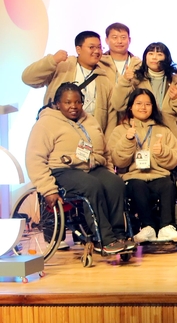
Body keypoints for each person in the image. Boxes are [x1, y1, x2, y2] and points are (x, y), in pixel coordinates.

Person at [25, 83, 130, 254]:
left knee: (115, 183)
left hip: (93, 166)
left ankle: (119, 235)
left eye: (77, 102)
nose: (73, 106)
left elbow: (105, 150)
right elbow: (34, 159)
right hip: (62, 170)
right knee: (91, 186)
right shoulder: (46, 123)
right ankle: (104, 239)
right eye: (67, 102)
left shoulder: (90, 120)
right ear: (57, 104)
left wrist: (109, 170)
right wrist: (48, 189)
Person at [109, 88, 177, 243]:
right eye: (138, 103)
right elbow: (118, 161)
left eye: (147, 104)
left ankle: (166, 227)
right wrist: (127, 141)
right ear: (131, 107)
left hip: (159, 175)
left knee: (168, 185)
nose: (143, 107)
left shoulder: (163, 130)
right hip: (133, 176)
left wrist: (162, 152)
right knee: (138, 186)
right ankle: (148, 227)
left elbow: (175, 159)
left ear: (153, 107)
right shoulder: (120, 130)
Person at [22, 30, 117, 133]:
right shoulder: (63, 66)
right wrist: (52, 60)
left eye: (99, 47)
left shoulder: (104, 79)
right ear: (78, 49)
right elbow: (28, 78)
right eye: (91, 47)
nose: (97, 51)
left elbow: (111, 118)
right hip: (57, 131)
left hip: (89, 135)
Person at [113, 43, 177, 143]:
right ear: (145, 57)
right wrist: (125, 81)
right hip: (140, 138)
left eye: (159, 54)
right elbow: (118, 105)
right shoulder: (135, 80)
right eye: (151, 54)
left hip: (170, 139)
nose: (154, 57)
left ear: (166, 58)